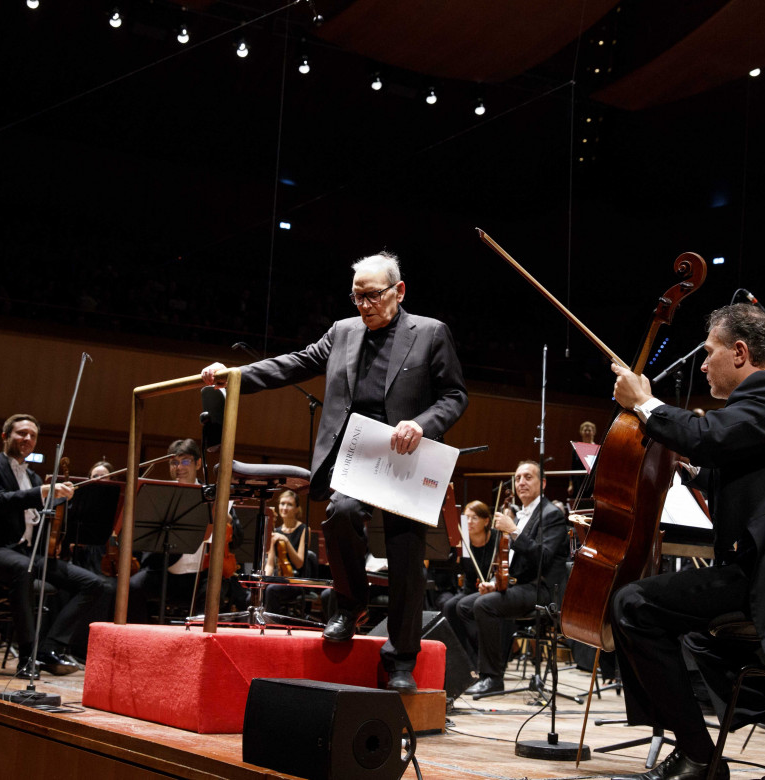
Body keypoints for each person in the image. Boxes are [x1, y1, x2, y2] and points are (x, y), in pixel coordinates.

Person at [201, 251, 467, 693]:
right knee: (340, 514)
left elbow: (455, 395)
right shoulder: (343, 332)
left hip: (406, 457)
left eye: (373, 296)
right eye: (357, 296)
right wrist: (234, 376)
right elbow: (295, 363)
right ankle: (350, 604)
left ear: (399, 291)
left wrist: (422, 424)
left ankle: (401, 659)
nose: (364, 305)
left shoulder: (431, 333)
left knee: (405, 558)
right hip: (357, 456)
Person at [606, 303, 765, 780]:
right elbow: (748, 464)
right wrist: (694, 473)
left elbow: (713, 436)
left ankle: (699, 757)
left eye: (709, 352)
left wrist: (645, 404)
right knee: (701, 632)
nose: (701, 363)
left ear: (740, 353)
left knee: (634, 604)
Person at [0, 414, 109, 678]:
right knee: (25, 569)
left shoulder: (33, 477)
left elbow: (42, 520)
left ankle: (49, 648)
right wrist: (44, 492)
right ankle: (26, 657)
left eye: (32, 435)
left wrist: (65, 501)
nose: (27, 439)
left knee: (93, 584)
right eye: (21, 433)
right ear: (5, 436)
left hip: (26, 554)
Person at [457, 461, 569, 695]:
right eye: (518, 478)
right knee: (462, 606)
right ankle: (480, 667)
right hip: (520, 586)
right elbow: (515, 564)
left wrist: (514, 530)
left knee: (484, 605)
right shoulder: (520, 516)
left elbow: (544, 558)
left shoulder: (552, 515)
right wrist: (496, 584)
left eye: (528, 477)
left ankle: (493, 677)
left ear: (543, 483)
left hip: (543, 590)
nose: (521, 483)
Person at [127, 439, 218, 623]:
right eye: (174, 462)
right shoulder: (159, 494)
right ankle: (142, 639)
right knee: (131, 587)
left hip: (201, 575)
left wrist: (226, 519)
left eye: (185, 461)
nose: (179, 467)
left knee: (215, 591)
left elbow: (237, 539)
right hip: (164, 571)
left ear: (198, 463)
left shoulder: (214, 495)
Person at [441, 500, 499, 658]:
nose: (468, 522)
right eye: (465, 518)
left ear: (486, 520)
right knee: (449, 606)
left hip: (492, 590)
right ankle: (461, 655)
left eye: (474, 518)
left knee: (465, 606)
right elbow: (457, 569)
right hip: (470, 590)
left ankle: (479, 655)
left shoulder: (496, 539)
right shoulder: (463, 541)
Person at [261, 489, 313, 616]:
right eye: (282, 503)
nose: (284, 507)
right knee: (259, 590)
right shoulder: (276, 531)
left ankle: (272, 625)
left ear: (297, 509)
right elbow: (270, 564)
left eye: (289, 504)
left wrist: (286, 541)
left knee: (272, 590)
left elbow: (299, 563)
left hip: (297, 581)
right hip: (280, 578)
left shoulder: (304, 530)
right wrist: (264, 581)